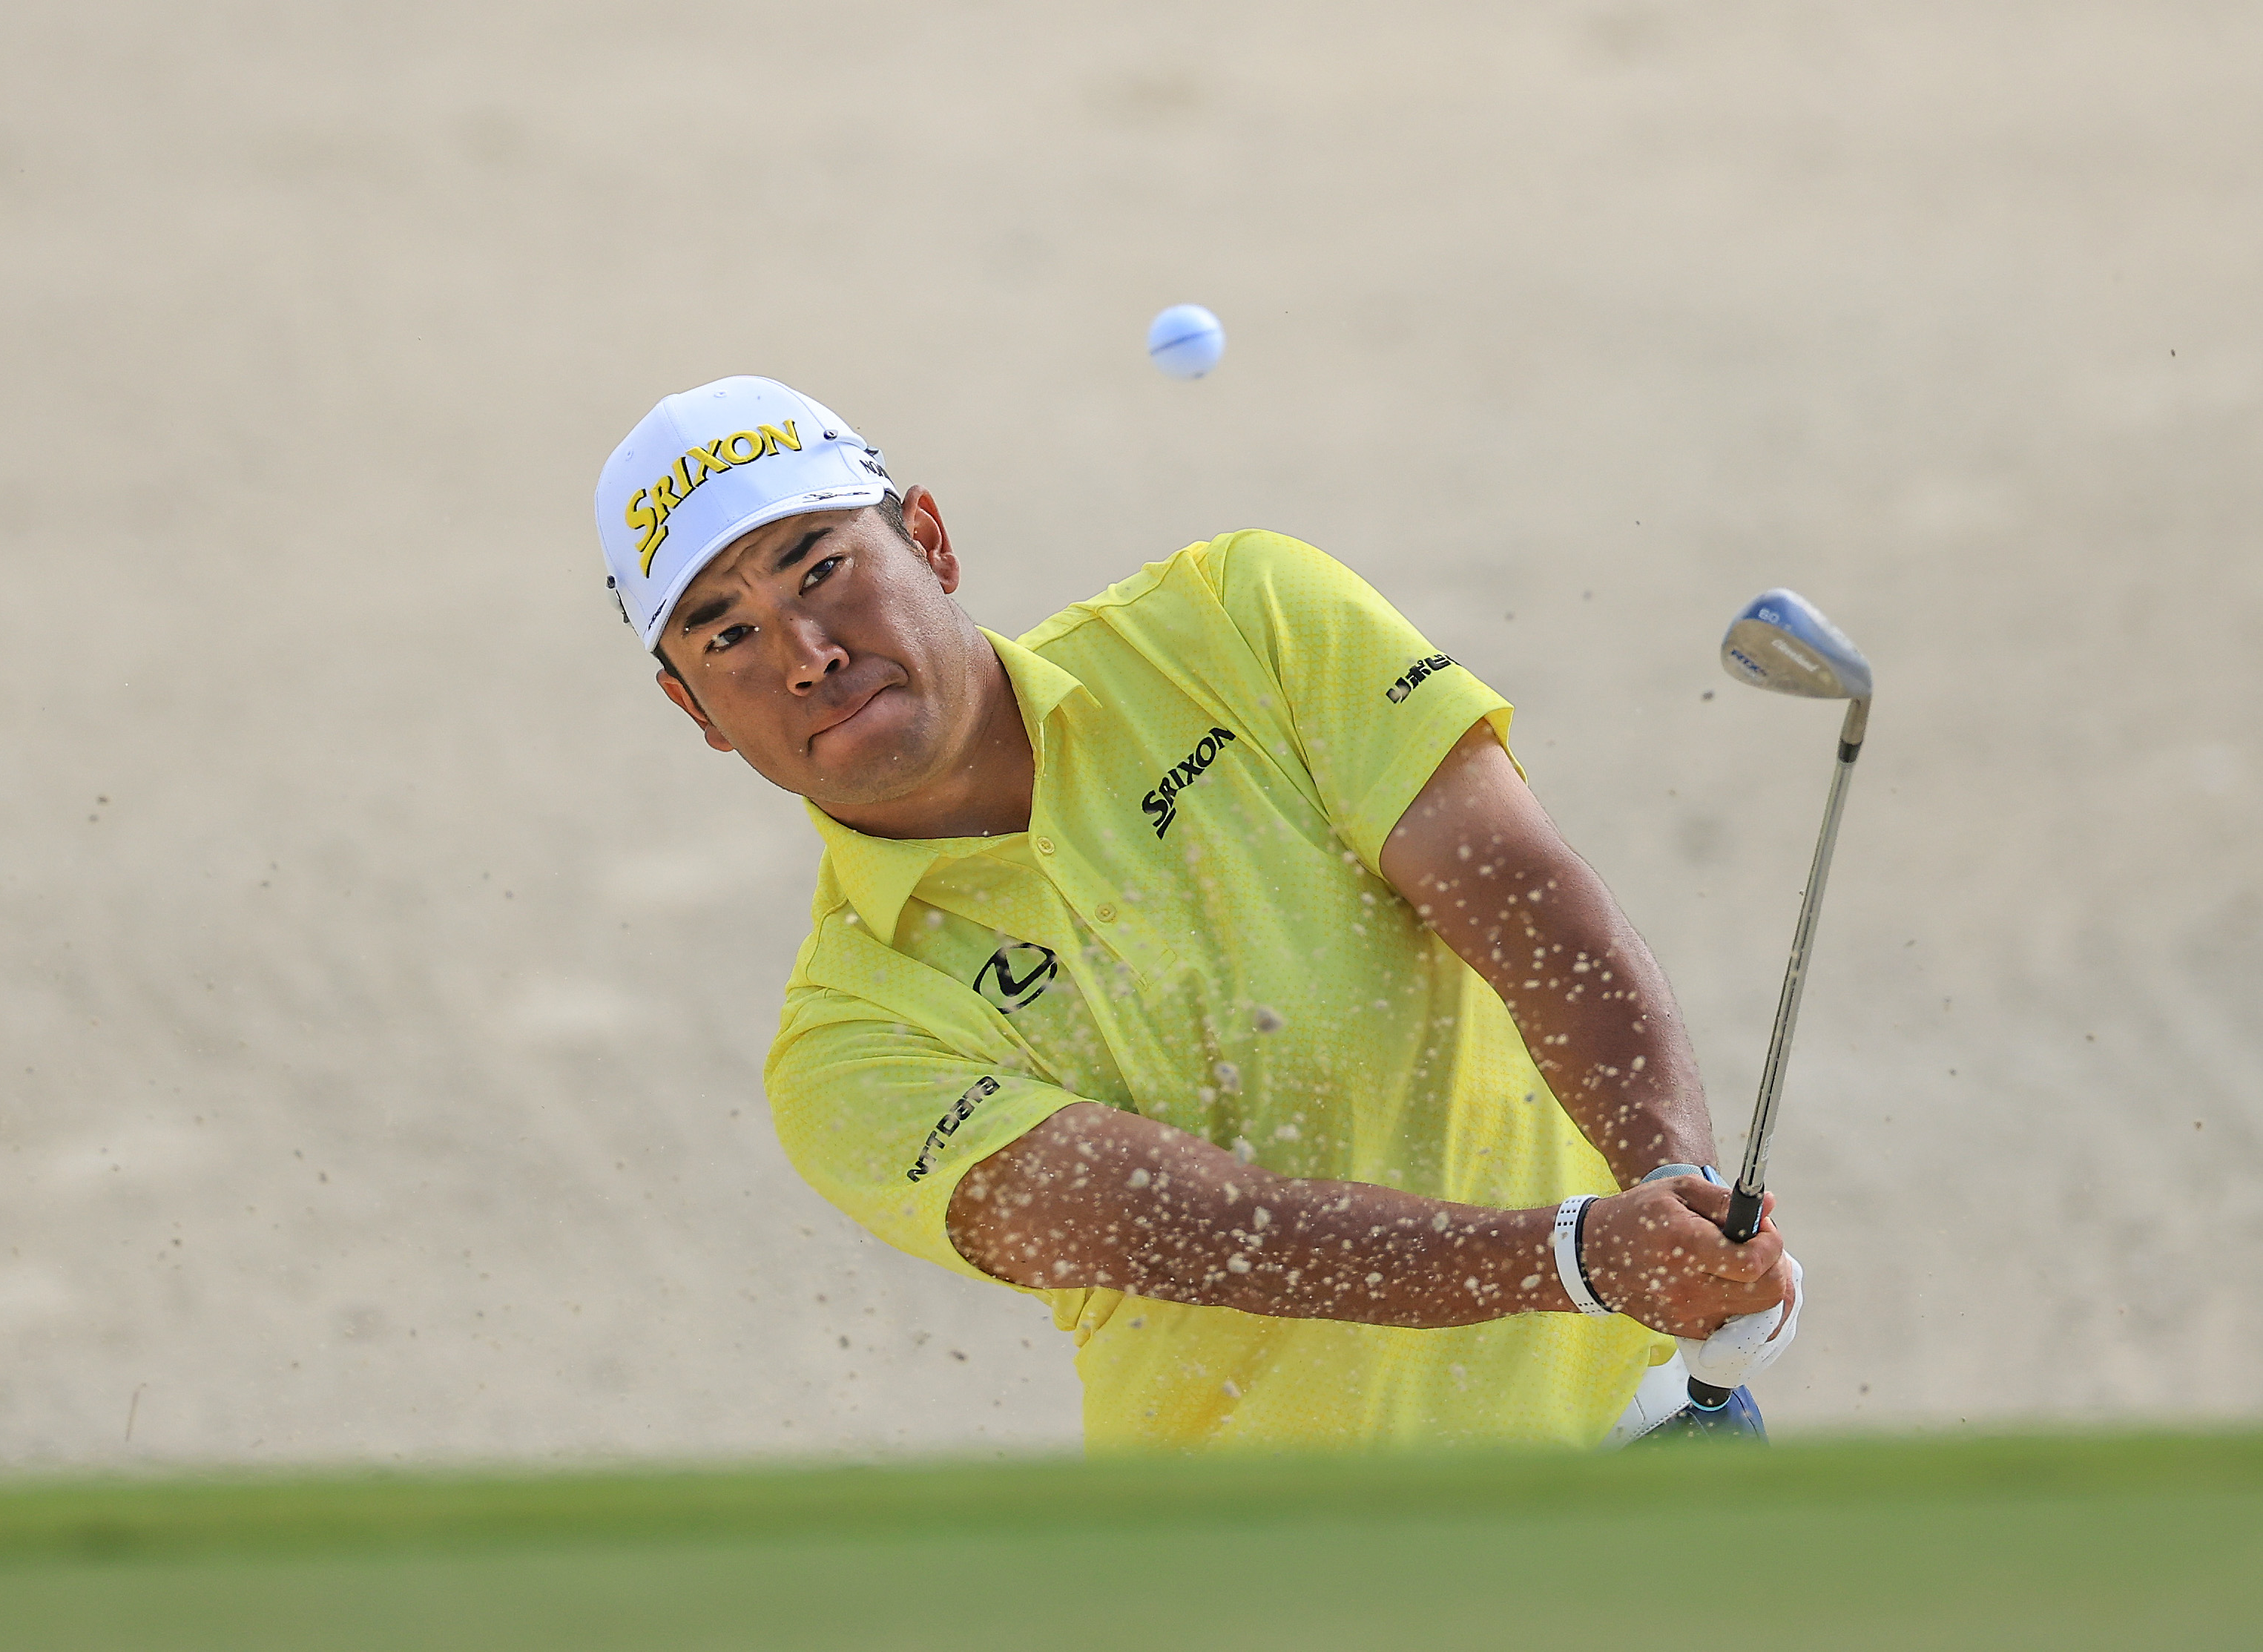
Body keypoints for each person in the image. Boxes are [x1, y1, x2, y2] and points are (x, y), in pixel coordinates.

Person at [594, 375, 1801, 1451]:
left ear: (929, 540)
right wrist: (1582, 1259)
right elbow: (1189, 1226)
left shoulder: (1238, 620)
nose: (806, 655)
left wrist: (1682, 1204)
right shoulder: (846, 1045)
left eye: (823, 569)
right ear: (691, 709)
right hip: (1265, 1588)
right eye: (729, 633)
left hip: (1635, 1442)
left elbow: (1525, 902)